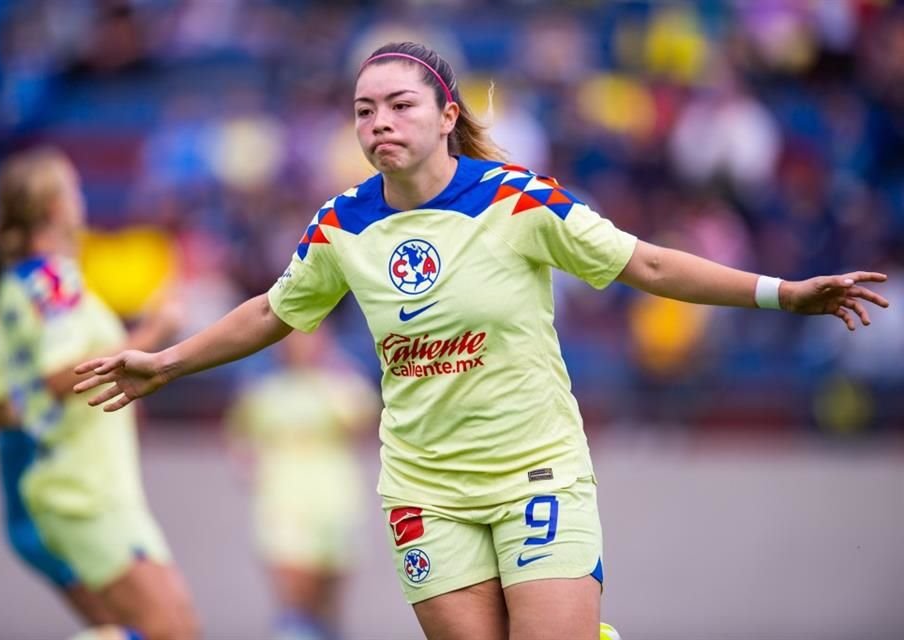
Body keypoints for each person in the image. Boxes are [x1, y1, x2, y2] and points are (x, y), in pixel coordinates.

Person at [74, 42, 889, 640]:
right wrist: (166, 364)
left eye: (400, 104)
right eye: (364, 109)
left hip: (536, 471)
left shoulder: (518, 200)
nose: (379, 121)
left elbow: (645, 262)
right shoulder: (342, 222)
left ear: (448, 116)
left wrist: (783, 294)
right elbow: (271, 313)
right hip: (425, 494)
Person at [0, 147, 200, 640]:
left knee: (161, 627)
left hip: (75, 487)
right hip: (85, 491)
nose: (81, 199)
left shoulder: (14, 288)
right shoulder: (56, 281)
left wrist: (45, 423)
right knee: (171, 632)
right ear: (55, 207)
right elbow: (61, 375)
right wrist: (154, 331)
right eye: (74, 190)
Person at [225, 328, 378, 640]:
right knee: (294, 594)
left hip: (335, 499)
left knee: (328, 602)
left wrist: (332, 369)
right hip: (283, 501)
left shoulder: (340, 386)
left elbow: (363, 421)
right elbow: (239, 438)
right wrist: (248, 464)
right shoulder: (263, 392)